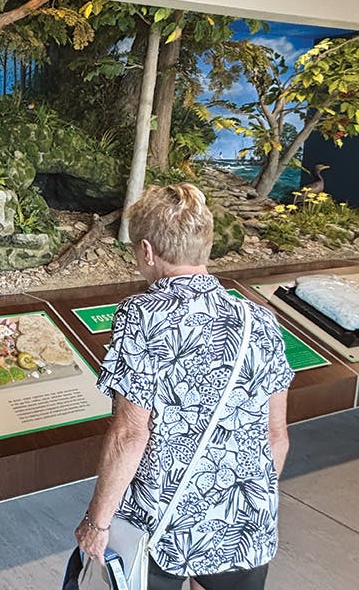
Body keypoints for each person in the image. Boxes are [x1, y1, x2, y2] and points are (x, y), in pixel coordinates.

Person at [74, 183, 293, 590]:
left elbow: (130, 434)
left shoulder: (142, 316)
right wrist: (237, 503)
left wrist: (96, 523)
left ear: (147, 250)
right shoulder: (260, 319)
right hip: (245, 520)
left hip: (162, 524)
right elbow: (276, 436)